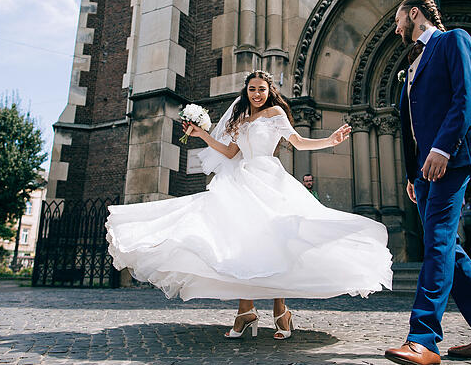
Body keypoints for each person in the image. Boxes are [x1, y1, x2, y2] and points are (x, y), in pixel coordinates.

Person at [105, 70, 392, 341]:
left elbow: (299, 142)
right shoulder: (240, 119)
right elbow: (230, 152)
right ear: (247, 91)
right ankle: (246, 311)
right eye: (252, 89)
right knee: (241, 242)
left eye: (262, 89)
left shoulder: (276, 113)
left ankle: (281, 312)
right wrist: (202, 135)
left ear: (270, 91)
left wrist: (329, 140)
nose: (256, 94)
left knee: (279, 240)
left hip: (270, 179)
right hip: (242, 178)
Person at [383, 0, 471, 365]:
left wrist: (443, 148)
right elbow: (409, 126)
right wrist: (412, 174)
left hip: (450, 159)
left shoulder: (453, 40)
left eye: (398, 21)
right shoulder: (411, 64)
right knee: (449, 250)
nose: (396, 30)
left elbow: (467, 95)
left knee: (438, 241)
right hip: (425, 171)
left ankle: (422, 339)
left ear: (414, 14)